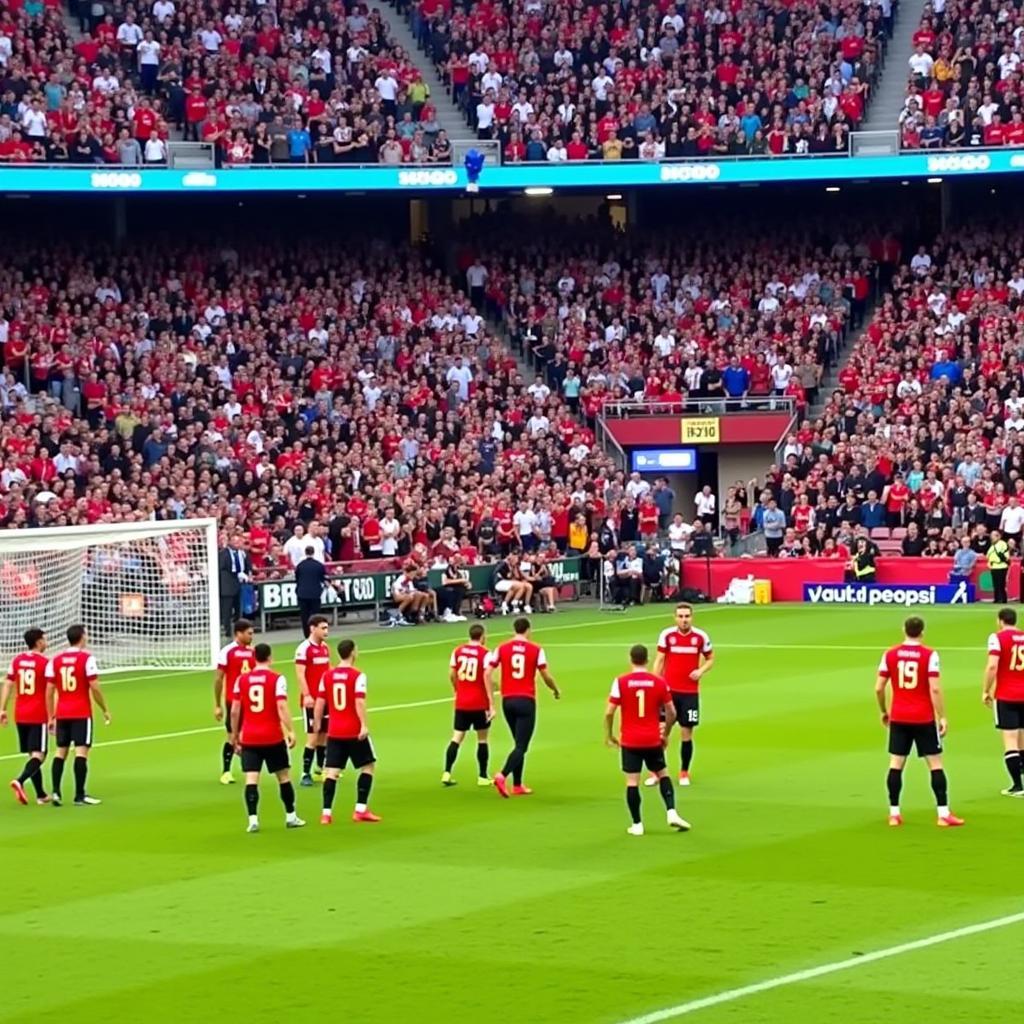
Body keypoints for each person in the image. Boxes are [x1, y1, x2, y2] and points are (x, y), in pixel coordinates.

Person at [875, 616, 964, 827]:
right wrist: (942, 716)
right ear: (922, 632)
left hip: (899, 716)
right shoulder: (929, 655)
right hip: (923, 717)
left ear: (903, 630)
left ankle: (894, 814)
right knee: (935, 764)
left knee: (896, 764)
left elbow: (878, 687)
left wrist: (883, 711)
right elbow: (934, 688)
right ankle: (943, 814)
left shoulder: (890, 654)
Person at [604, 644, 691, 835]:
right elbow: (672, 712)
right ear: (647, 660)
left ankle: (637, 824)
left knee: (632, 782)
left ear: (630, 659)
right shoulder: (659, 682)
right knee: (663, 774)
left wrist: (609, 734)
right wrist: (665, 733)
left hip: (630, 741)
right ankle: (671, 812)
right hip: (652, 739)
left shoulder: (620, 682)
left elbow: (609, 712)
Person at [229, 642, 304, 833]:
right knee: (283, 777)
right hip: (272, 737)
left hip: (250, 738)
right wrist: (291, 730)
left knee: (251, 779)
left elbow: (235, 710)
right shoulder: (277, 679)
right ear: (270, 658)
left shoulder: (242, 680)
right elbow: (281, 706)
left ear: (254, 658)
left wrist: (234, 735)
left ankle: (253, 820)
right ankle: (290, 816)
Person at [486, 617, 559, 798]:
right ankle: (502, 775)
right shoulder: (536, 649)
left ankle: (518, 785)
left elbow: (487, 671)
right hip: (526, 700)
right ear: (528, 629)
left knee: (518, 744)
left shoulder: (502, 647)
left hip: (507, 701)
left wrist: (492, 694)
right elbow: (545, 675)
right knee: (521, 746)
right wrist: (555, 689)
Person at [645, 603, 713, 787]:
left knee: (687, 733)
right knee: (660, 733)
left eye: (687, 616)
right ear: (675, 618)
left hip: (690, 693)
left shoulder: (700, 637)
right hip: (668, 693)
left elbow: (710, 659)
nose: (684, 620)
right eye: (681, 616)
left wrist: (701, 671)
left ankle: (684, 772)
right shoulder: (667, 635)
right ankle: (656, 772)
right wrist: (655, 683)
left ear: (692, 617)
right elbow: (659, 661)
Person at [314, 638, 381, 823]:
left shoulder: (327, 676)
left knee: (332, 772)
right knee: (368, 767)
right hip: (353, 731)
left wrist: (317, 723)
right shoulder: (358, 676)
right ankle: (360, 809)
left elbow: (320, 702)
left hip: (334, 731)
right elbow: (359, 701)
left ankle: (326, 813)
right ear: (352, 652)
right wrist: (364, 725)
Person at [45, 624, 110, 807]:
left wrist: (51, 716)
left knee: (60, 752)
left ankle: (56, 793)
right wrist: (104, 708)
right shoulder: (86, 659)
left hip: (62, 713)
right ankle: (79, 795)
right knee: (81, 752)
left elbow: (49, 690)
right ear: (82, 637)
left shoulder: (55, 660)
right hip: (81, 712)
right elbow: (95, 687)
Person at [1, 627, 52, 805]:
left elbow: (7, 683)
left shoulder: (17, 661)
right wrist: (53, 715)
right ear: (39, 642)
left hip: (20, 713)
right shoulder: (45, 663)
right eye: (44, 639)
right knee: (40, 754)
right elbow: (50, 690)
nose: (46, 642)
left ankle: (41, 795)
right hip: (38, 713)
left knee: (32, 754)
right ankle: (20, 780)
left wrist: (2, 709)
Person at [442, 624, 495, 787]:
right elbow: (488, 678)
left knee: (456, 737)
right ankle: (482, 776)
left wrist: (457, 689)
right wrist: (492, 702)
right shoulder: (486, 654)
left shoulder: (457, 651)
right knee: (482, 739)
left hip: (462, 702)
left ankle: (447, 772)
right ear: (482, 636)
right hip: (480, 703)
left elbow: (452, 674)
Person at [982, 607, 1024, 796]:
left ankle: (1017, 786)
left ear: (1000, 620)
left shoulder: (997, 638)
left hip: (1006, 695)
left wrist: (985, 690)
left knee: (1010, 741)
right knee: (1022, 740)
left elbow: (992, 666)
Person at [213, 618, 255, 784]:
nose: (252, 636)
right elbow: (218, 679)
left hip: (251, 701)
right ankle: (226, 771)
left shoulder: (253, 652)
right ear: (239, 633)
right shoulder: (227, 652)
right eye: (249, 633)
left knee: (249, 736)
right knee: (232, 736)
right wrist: (217, 704)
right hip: (233, 701)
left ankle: (250, 769)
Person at [295, 615, 331, 787]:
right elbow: (300, 674)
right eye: (323, 628)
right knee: (312, 737)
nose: (326, 631)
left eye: (326, 628)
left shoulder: (325, 648)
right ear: (312, 628)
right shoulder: (303, 649)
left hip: (325, 699)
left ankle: (320, 768)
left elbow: (327, 671)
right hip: (312, 700)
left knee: (324, 735)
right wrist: (307, 695)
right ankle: (305, 773)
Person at [217, 534, 251, 637]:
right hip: (227, 586)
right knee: (226, 611)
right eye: (235, 542)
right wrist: (235, 573)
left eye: (238, 542)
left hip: (239, 585)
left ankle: (239, 631)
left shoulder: (243, 553)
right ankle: (227, 631)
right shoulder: (223, 554)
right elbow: (221, 568)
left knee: (238, 610)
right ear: (230, 542)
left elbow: (247, 566)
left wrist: (247, 574)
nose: (237, 544)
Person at [294, 545, 327, 636]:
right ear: (313, 552)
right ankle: (316, 633)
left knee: (305, 616)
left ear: (305, 553)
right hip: (315, 594)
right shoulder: (319, 565)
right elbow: (322, 578)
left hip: (302, 593)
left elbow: (297, 578)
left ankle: (307, 635)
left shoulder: (300, 566)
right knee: (315, 616)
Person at [987, 528, 1010, 603]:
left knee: (1001, 584)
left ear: (998, 536)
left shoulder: (1002, 544)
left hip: (1001, 566)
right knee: (995, 584)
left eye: (994, 535)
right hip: (994, 566)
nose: (992, 537)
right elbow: (988, 555)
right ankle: (996, 598)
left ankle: (1003, 599)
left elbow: (1003, 554)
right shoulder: (992, 545)